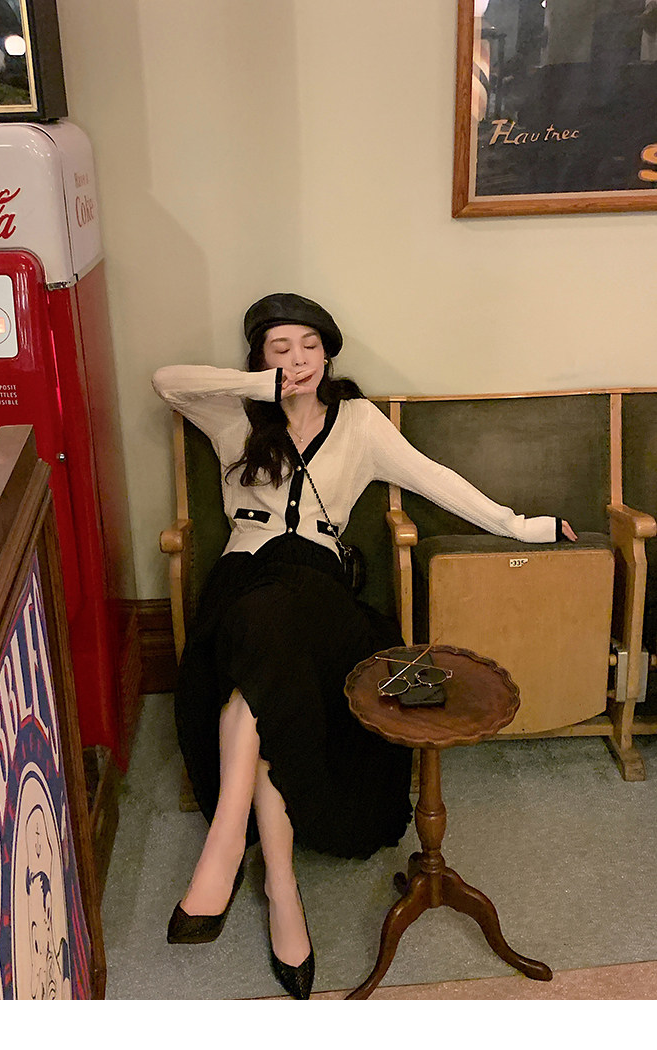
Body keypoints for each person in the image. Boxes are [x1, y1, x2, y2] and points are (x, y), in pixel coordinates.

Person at [152, 292, 576, 999]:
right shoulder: (234, 414)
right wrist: (263, 388)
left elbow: (435, 479)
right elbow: (166, 381)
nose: (297, 360)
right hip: (244, 581)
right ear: (259, 359)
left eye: (309, 346)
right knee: (263, 666)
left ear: (329, 353)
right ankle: (281, 886)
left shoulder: (359, 422)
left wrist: (520, 526)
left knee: (265, 665)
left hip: (319, 589)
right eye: (279, 348)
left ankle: (225, 849)